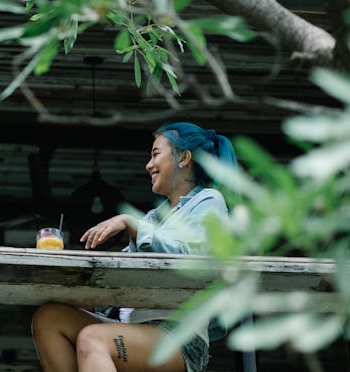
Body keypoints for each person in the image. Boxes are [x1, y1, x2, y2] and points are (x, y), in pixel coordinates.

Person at [32, 122, 237, 372]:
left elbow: (189, 258)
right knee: (49, 317)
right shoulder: (153, 218)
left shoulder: (209, 201)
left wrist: (129, 222)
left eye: (155, 154)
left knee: (93, 338)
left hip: (179, 338)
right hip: (132, 328)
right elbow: (122, 280)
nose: (148, 165)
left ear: (184, 158)